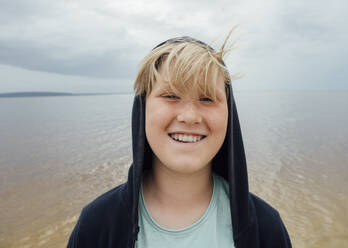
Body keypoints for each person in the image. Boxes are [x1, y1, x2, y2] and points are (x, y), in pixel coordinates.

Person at [67, 33, 292, 248]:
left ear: (229, 114)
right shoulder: (96, 225)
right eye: (171, 96)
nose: (190, 117)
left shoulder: (266, 228)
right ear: (143, 108)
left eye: (207, 98)